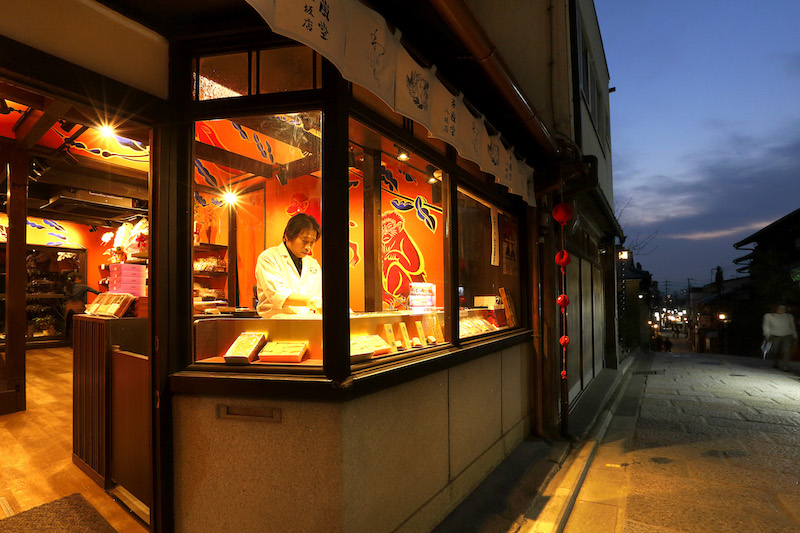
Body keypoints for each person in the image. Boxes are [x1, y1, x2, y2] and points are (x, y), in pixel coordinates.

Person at [255, 213, 322, 318]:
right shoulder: (269, 257)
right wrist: (312, 301)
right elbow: (279, 294)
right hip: (278, 322)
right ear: (287, 235)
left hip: (308, 321)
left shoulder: (313, 263)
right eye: (304, 241)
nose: (308, 247)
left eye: (312, 242)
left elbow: (319, 293)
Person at [762, 303, 798, 371]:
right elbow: (766, 326)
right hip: (775, 335)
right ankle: (776, 362)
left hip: (787, 335)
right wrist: (767, 334)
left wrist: (795, 336)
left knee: (786, 350)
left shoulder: (789, 316)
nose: (782, 310)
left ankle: (785, 366)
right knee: (775, 350)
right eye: (780, 308)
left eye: (784, 308)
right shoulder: (769, 316)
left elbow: (792, 326)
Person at [64, 274, 100, 339]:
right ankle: (78, 342)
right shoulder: (83, 287)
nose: (81, 280)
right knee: (80, 327)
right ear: (77, 278)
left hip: (68, 307)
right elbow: (97, 293)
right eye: (80, 279)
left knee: (70, 326)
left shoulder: (67, 287)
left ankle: (70, 342)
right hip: (78, 307)